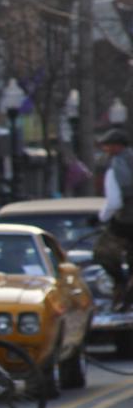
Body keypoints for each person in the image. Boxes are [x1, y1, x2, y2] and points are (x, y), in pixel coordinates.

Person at [92, 128, 133, 309]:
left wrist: (101, 217)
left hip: (126, 220)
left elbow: (115, 202)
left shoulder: (117, 165)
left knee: (103, 253)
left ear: (117, 146)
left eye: (107, 146)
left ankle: (122, 285)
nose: (105, 149)